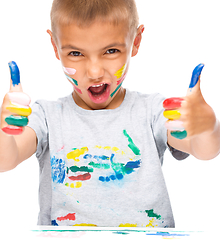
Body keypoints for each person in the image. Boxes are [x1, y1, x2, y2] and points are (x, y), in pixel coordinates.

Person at [0, 0, 220, 228]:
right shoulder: (46, 116)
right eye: (76, 53)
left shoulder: (152, 111)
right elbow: (5, 160)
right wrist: (6, 129)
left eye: (111, 51)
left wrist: (207, 126)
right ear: (55, 47)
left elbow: (204, 150)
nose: (95, 72)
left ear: (136, 41)